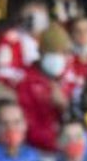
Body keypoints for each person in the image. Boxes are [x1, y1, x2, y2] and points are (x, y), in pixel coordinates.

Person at [15, 23, 72, 153]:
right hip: (38, 150)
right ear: (40, 53)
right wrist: (57, 144)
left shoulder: (67, 79)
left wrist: (65, 107)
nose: (59, 57)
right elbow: (27, 125)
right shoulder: (26, 82)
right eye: (52, 52)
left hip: (66, 148)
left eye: (63, 53)